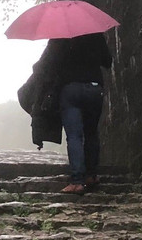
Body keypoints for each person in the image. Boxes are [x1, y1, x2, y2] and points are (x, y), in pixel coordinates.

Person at [38, 31, 112, 194]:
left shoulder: (60, 35)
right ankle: (91, 175)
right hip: (94, 89)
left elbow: (50, 64)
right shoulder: (95, 34)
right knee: (92, 133)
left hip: (70, 90)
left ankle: (77, 181)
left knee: (74, 136)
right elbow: (107, 61)